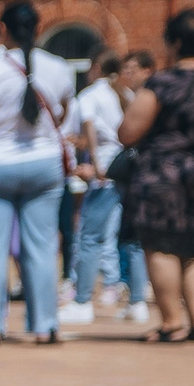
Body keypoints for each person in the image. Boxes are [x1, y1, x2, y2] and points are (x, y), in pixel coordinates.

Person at [118, 8, 194, 343]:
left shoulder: (163, 82)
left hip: (163, 170)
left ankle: (172, 321)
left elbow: (129, 131)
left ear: (173, 42)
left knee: (161, 245)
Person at [0, 1, 72, 345]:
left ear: (3, 30)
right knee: (42, 247)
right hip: (44, 164)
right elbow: (64, 114)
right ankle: (44, 326)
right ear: (38, 29)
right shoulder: (58, 68)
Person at [64, 53, 153, 327]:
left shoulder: (91, 95)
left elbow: (89, 127)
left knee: (90, 238)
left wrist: (96, 164)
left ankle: (82, 302)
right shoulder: (126, 93)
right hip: (130, 168)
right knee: (132, 238)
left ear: (95, 68)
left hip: (106, 170)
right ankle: (138, 301)